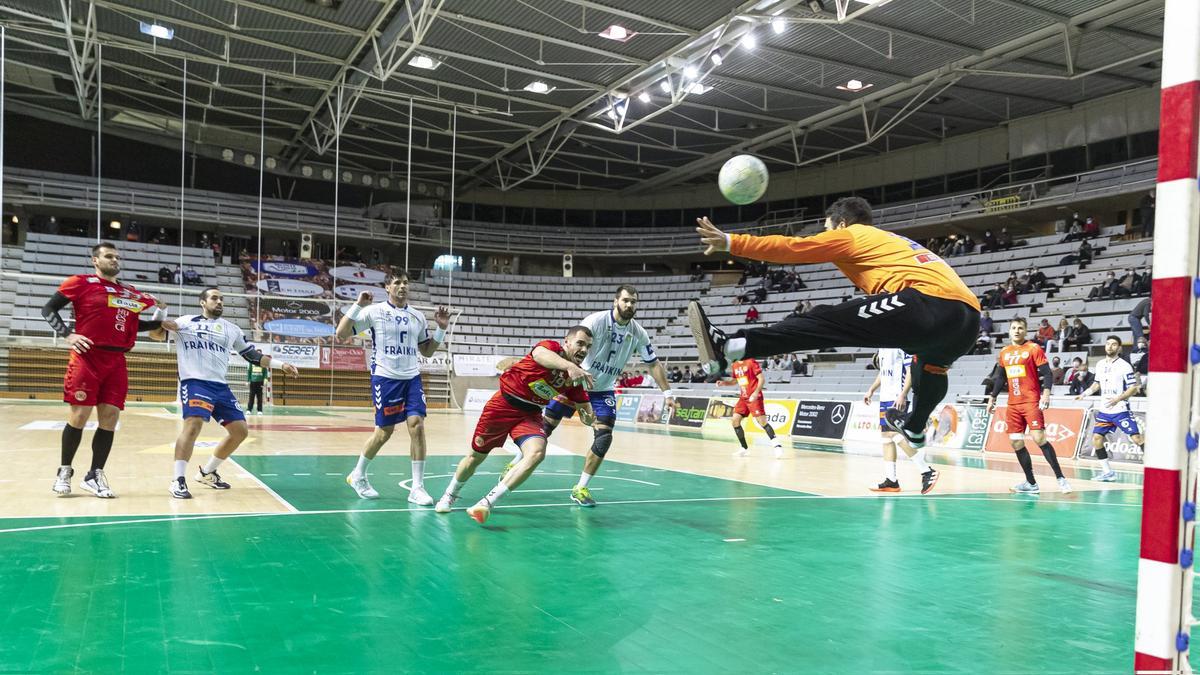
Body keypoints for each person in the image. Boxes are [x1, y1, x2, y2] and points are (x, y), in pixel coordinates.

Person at [689, 197, 980, 450]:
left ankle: (732, 346)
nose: (824, 233)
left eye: (826, 228)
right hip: (968, 318)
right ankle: (916, 428)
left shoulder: (852, 234)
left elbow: (794, 247)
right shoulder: (892, 241)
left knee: (824, 321)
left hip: (928, 304)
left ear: (840, 223)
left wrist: (732, 242)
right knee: (931, 366)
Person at [435, 328, 596, 524]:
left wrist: (589, 417)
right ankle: (450, 494)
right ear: (567, 342)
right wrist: (569, 366)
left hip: (531, 414)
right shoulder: (551, 348)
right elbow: (540, 354)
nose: (584, 349)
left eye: (588, 346)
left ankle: (486, 503)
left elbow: (586, 411)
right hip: (502, 406)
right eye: (580, 343)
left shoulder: (575, 380)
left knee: (537, 452)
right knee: (474, 458)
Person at [41, 242, 164, 498]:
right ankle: (65, 470)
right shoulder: (80, 282)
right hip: (87, 357)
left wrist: (163, 322)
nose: (115, 260)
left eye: (117, 257)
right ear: (95, 260)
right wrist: (68, 334)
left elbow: (134, 324)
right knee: (79, 416)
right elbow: (48, 308)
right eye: (109, 256)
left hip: (117, 361)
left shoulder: (128, 293)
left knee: (110, 418)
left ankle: (94, 474)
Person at [154, 289, 298, 498]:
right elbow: (156, 334)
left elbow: (253, 356)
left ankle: (207, 472)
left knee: (240, 431)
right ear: (202, 302)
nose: (219, 301)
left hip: (220, 386)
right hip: (195, 382)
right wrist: (161, 313)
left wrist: (281, 364)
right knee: (193, 425)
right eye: (214, 298)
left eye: (221, 299)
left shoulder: (231, 329)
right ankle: (178, 480)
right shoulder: (185, 322)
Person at [542, 285, 677, 507]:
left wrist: (668, 393)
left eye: (633, 301)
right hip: (575, 384)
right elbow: (571, 346)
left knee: (604, 437)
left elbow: (653, 364)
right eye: (625, 300)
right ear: (615, 301)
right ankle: (517, 463)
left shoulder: (638, 332)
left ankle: (581, 487)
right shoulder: (595, 321)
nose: (630, 305)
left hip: (603, 390)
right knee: (545, 429)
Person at [336, 271, 451, 502]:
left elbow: (426, 351)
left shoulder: (417, 316)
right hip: (385, 378)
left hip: (412, 378)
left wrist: (441, 328)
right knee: (383, 433)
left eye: (406, 283)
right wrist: (358, 305)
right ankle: (357, 474)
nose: (402, 286)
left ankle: (417, 488)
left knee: (417, 425)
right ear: (387, 287)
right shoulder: (374, 311)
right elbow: (341, 334)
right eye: (397, 282)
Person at [985, 318, 1071, 495]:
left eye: (1020, 328)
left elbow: (1047, 374)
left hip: (1031, 401)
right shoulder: (1004, 352)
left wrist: (1046, 393)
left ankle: (1061, 478)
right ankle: (1031, 483)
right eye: (1014, 328)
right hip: (1013, 404)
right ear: (1010, 331)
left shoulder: (1033, 348)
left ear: (1025, 331)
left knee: (1039, 438)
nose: (1017, 331)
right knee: (1016, 442)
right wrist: (992, 398)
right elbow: (1000, 377)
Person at [864, 349, 938, 494]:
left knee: (895, 436)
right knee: (886, 438)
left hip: (897, 397)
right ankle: (891, 481)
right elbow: (883, 372)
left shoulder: (901, 345)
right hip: (885, 398)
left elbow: (910, 369)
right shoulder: (882, 346)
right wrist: (871, 390)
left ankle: (927, 471)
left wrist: (903, 395)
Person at [1076, 336, 1143, 483]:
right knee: (1097, 439)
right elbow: (1097, 384)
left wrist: (1118, 399)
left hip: (1120, 409)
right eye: (1108, 344)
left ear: (1119, 348)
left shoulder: (1125, 366)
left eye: (1114, 344)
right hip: (1105, 411)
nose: (1110, 347)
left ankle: (1154, 466)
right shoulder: (1100, 364)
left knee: (1137, 439)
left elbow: (1133, 388)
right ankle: (1108, 473)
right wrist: (1085, 393)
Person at [721, 358, 784, 459]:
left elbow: (762, 379)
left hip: (754, 396)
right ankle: (744, 448)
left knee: (762, 422)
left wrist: (756, 392)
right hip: (743, 398)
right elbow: (734, 381)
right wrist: (725, 383)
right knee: (735, 421)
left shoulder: (751, 361)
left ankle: (777, 446)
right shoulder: (735, 365)